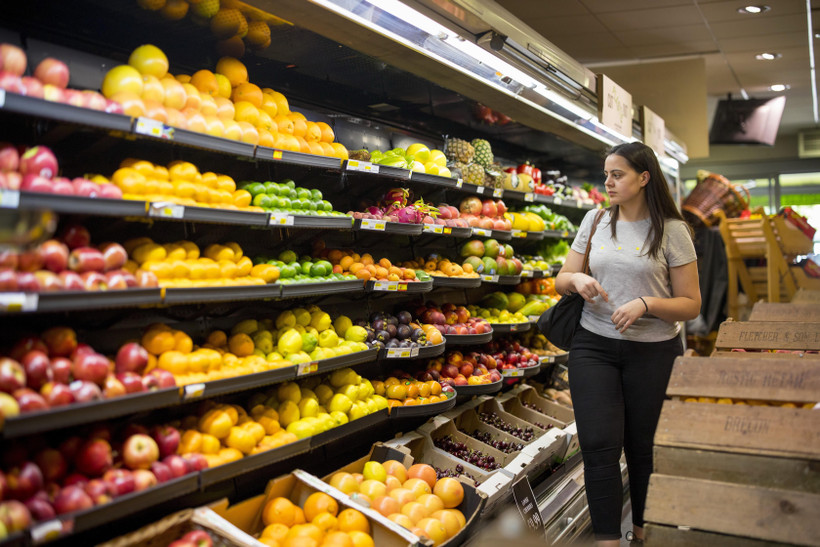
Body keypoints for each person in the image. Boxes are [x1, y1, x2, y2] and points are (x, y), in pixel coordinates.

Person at [554, 142, 701, 545]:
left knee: (643, 450)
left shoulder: (673, 231)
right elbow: (561, 278)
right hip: (593, 345)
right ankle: (607, 541)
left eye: (617, 174)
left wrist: (647, 303)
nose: (608, 182)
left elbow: (691, 304)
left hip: (653, 351)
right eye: (606, 174)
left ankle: (641, 534)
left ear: (644, 177)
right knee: (598, 446)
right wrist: (577, 280)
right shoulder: (595, 219)